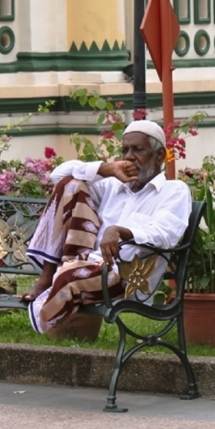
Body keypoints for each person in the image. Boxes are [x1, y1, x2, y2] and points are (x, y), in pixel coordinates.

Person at [19, 120, 192, 333]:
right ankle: (48, 277)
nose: (129, 156)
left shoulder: (173, 191)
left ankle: (45, 320)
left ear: (159, 156)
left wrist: (121, 231)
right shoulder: (112, 185)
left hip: (127, 276)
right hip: (87, 264)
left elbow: (165, 234)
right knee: (71, 185)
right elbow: (59, 177)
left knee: (66, 277)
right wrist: (104, 169)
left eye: (138, 150)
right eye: (125, 150)